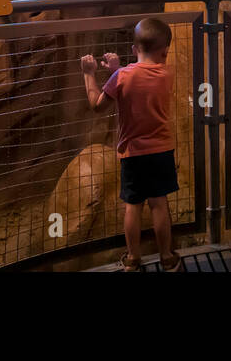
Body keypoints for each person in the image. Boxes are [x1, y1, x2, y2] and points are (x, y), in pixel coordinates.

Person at [80, 18, 184, 272]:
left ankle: (133, 260)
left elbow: (97, 105)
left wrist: (89, 74)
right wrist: (119, 68)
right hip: (161, 150)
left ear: (134, 48)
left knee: (133, 206)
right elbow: (143, 75)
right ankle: (167, 258)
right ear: (165, 52)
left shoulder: (121, 77)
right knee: (159, 204)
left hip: (133, 153)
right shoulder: (167, 74)